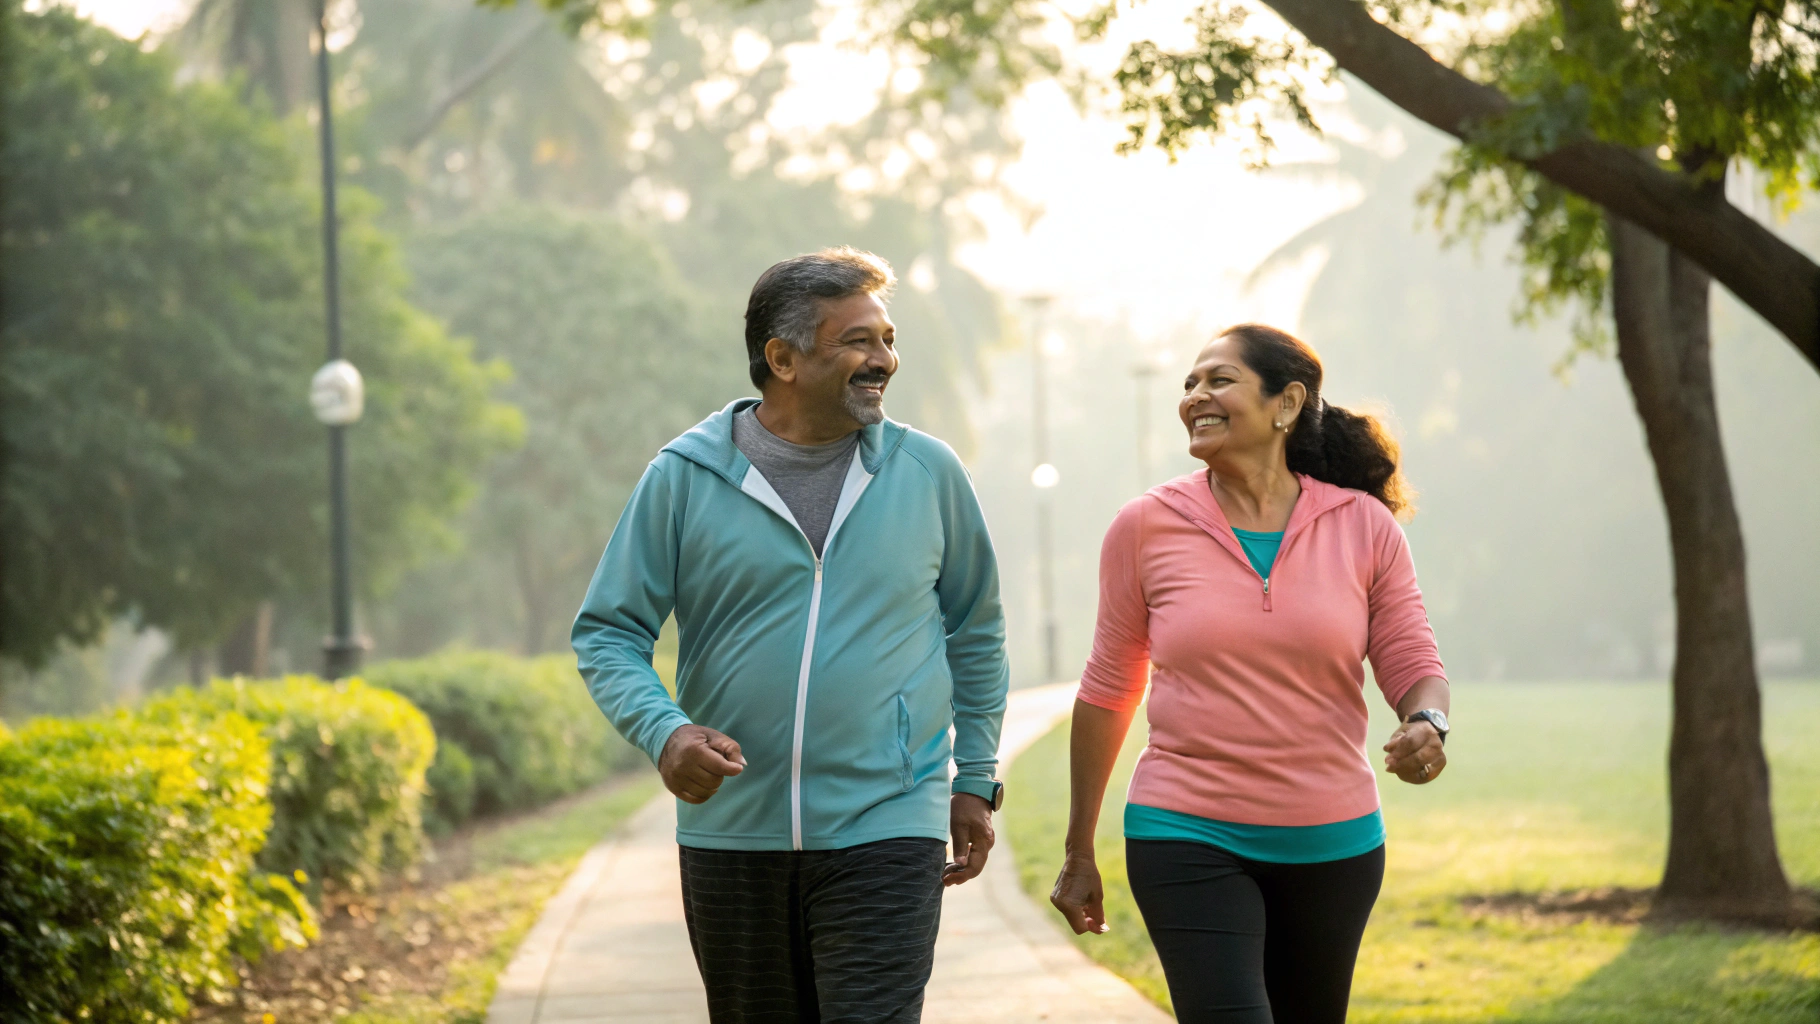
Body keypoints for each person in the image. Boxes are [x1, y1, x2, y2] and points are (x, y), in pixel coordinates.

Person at [572, 247, 1010, 1024]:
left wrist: (974, 776)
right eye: (858, 342)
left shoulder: (927, 473)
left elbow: (975, 629)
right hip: (731, 831)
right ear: (782, 359)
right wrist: (665, 732)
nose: (884, 360)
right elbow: (608, 631)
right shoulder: (682, 477)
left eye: (888, 339)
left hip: (889, 820)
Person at [1049, 323, 1451, 1024]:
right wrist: (1079, 848)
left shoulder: (1364, 526)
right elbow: (1109, 689)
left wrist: (1428, 721)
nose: (1195, 396)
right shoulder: (1145, 526)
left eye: (1220, 380)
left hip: (1334, 842)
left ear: (1286, 403)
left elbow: (1412, 657)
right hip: (1185, 831)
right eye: (1190, 383)